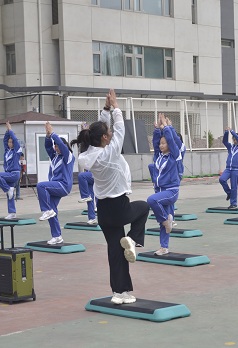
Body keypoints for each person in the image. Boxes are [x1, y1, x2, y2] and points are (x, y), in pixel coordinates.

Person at [76, 89, 149, 305]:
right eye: (107, 134)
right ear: (105, 138)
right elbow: (120, 130)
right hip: (119, 208)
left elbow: (99, 131)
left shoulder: (88, 155)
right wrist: (116, 108)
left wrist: (106, 110)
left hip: (104, 212)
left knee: (116, 252)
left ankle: (120, 292)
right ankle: (134, 240)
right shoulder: (110, 153)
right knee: (144, 207)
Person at [146, 113, 181, 256]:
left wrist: (167, 128)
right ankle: (164, 247)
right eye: (160, 144)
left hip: (171, 191)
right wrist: (157, 129)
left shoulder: (174, 155)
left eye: (164, 143)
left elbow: (172, 142)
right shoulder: (159, 156)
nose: (161, 145)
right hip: (161, 191)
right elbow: (155, 143)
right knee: (164, 223)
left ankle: (166, 221)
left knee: (151, 200)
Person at [36, 122, 75, 244]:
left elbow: (62, 147)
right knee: (52, 211)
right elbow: (48, 147)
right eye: (55, 146)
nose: (55, 147)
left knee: (41, 186)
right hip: (55, 186)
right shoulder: (54, 157)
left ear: (62, 146)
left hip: (63, 185)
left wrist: (53, 133)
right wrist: (48, 136)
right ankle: (57, 236)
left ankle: (46, 209)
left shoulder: (68, 156)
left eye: (57, 146)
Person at [0, 122, 22, 219]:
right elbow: (4, 140)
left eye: (11, 142)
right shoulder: (6, 151)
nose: (10, 143)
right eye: (9, 142)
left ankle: (8, 189)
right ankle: (12, 212)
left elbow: (16, 141)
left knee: (9, 190)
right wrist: (7, 131)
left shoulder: (17, 150)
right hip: (8, 173)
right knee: (10, 195)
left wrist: (10, 130)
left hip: (14, 174)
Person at [220, 127, 238, 209]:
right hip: (228, 168)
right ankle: (229, 193)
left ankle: (233, 203)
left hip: (237, 169)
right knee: (222, 179)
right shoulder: (231, 147)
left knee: (234, 186)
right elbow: (224, 141)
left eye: (236, 139)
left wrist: (232, 131)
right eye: (233, 140)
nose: (235, 141)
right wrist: (226, 132)